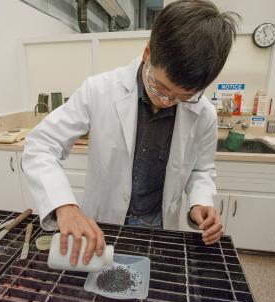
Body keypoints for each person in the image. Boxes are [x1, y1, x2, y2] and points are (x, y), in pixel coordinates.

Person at [22, 0, 239, 268]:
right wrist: (65, 207)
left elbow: (201, 170)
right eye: (160, 88)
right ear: (147, 52)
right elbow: (41, 144)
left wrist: (199, 204)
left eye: (184, 96)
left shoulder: (203, 113)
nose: (168, 101)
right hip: (103, 226)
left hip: (159, 229)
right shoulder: (99, 90)